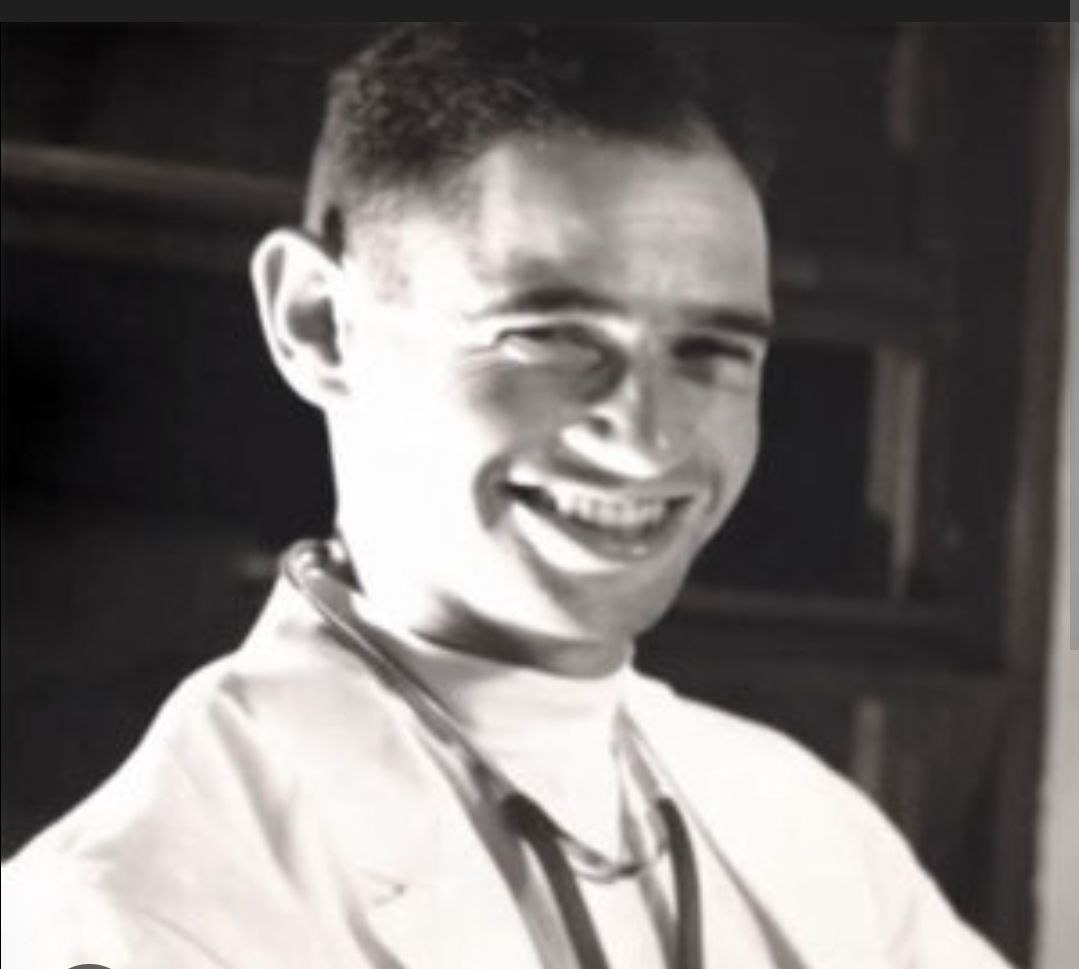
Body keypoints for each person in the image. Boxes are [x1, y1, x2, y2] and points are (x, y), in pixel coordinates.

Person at [1, 23, 1011, 969]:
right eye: (552, 336)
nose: (647, 437)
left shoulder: (803, 827)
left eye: (709, 350)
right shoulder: (131, 917)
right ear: (317, 324)